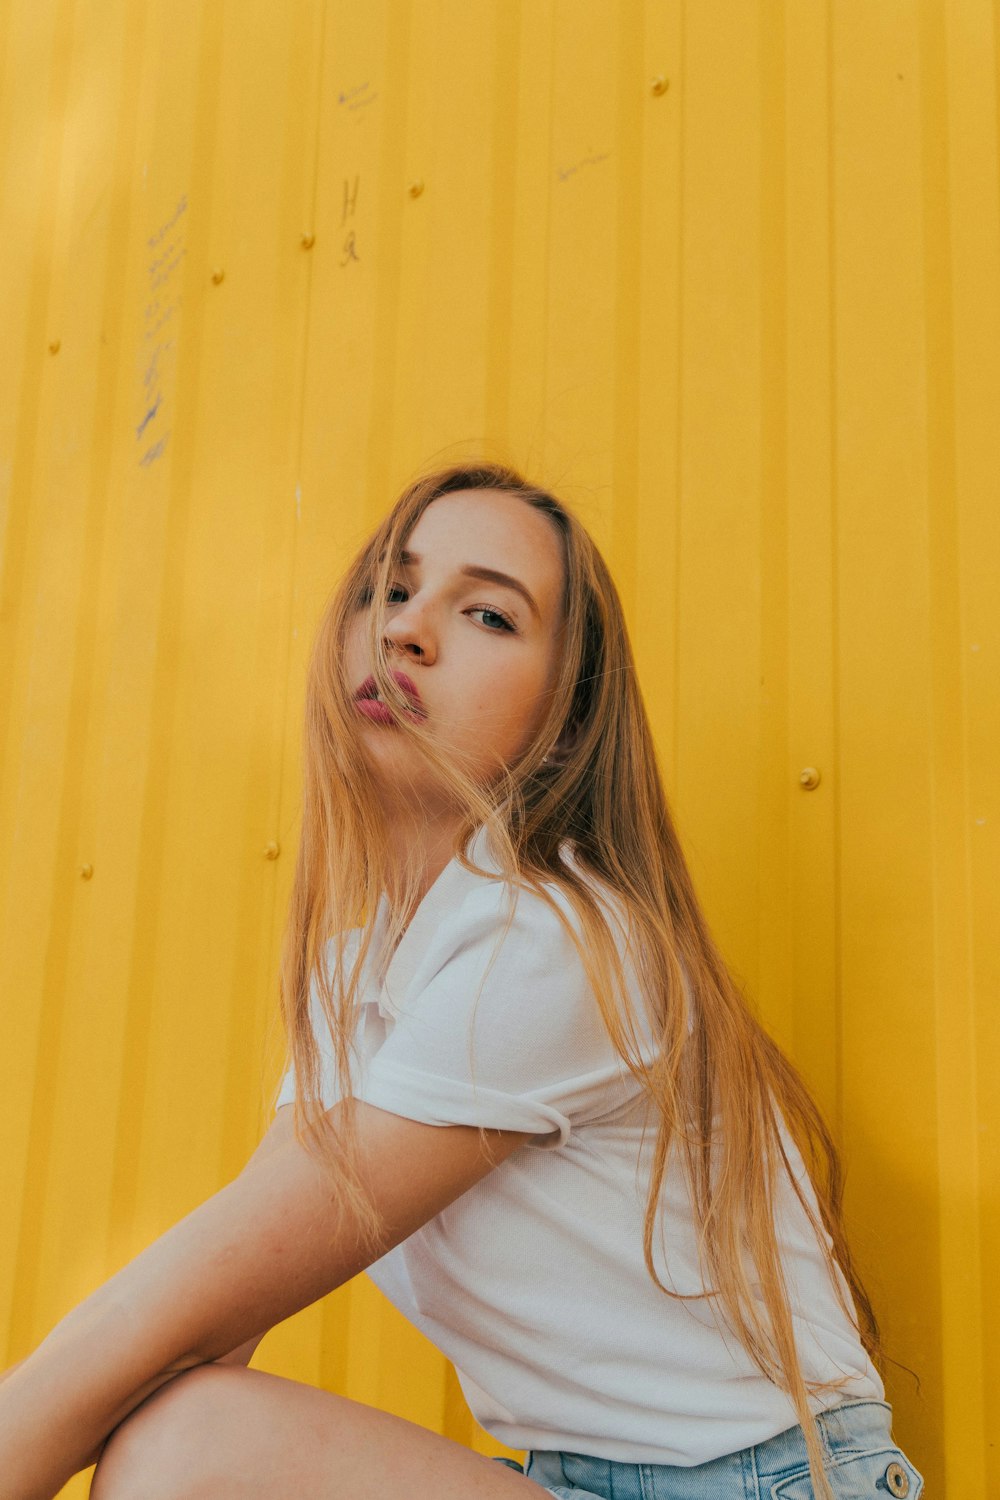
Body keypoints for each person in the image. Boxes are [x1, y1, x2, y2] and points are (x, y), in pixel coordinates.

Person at [0, 462, 923, 1500]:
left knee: (189, 1446)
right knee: (189, 1439)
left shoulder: (560, 939)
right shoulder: (359, 970)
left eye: (486, 613)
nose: (407, 631)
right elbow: (216, 1311)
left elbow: (175, 1314)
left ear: (567, 721)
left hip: (769, 1485)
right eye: (388, 591)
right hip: (571, 1481)